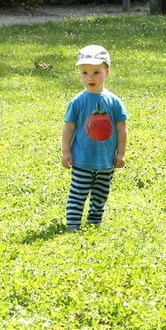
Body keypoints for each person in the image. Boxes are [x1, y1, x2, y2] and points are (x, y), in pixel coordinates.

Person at [61, 45, 128, 231]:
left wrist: (120, 154)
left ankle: (93, 224)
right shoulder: (77, 102)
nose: (90, 77)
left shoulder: (114, 102)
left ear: (107, 72)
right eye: (85, 72)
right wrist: (66, 152)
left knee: (100, 196)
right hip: (82, 160)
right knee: (78, 194)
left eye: (96, 72)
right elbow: (69, 127)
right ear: (79, 74)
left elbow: (122, 128)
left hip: (106, 161)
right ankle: (73, 226)